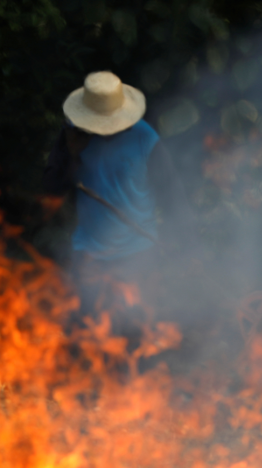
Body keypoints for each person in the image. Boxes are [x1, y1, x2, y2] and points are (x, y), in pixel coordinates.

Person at [43, 71, 197, 319]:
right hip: (89, 256)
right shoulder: (75, 136)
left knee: (136, 332)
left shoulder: (145, 139)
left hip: (138, 255)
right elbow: (52, 187)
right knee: (87, 333)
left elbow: (172, 195)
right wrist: (71, 153)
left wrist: (188, 246)